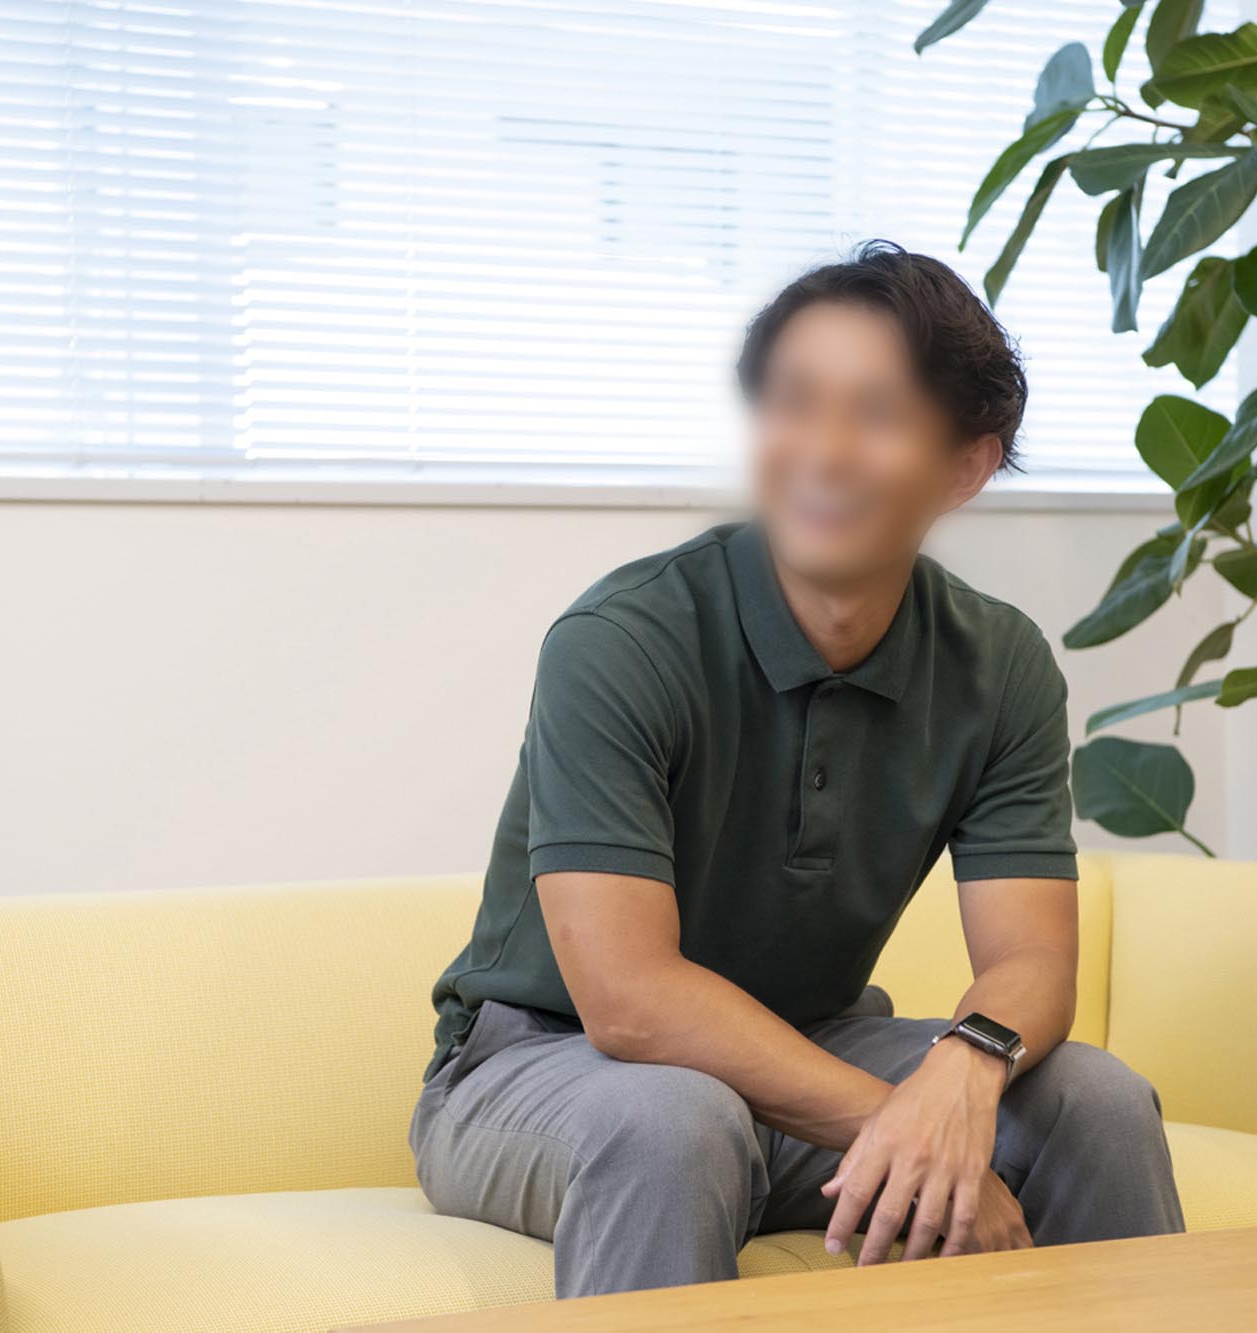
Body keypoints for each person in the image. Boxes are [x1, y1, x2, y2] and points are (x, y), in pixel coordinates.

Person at [412, 241, 1183, 1298]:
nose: (822, 448)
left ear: (963, 467)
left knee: (1093, 1101)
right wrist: (903, 1122)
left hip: (813, 1048)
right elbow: (628, 1001)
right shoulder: (621, 639)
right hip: (545, 1066)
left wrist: (967, 1062)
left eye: (876, 414)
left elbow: (1032, 960)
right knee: (674, 1120)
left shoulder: (997, 664)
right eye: (793, 402)